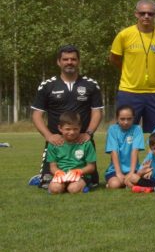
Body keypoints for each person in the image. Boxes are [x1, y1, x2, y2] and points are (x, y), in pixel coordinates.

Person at [30, 45, 104, 187]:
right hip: (56, 143)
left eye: (73, 59)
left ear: (79, 61)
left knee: (92, 184)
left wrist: (88, 133)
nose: (69, 62)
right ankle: (42, 176)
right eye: (65, 59)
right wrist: (49, 136)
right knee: (49, 185)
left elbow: (97, 112)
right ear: (59, 62)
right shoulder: (47, 85)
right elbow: (37, 115)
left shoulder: (91, 84)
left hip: (82, 141)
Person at [109, 0, 155, 130]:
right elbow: (114, 58)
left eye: (150, 14)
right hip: (129, 91)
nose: (146, 16)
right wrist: (128, 70)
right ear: (136, 14)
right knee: (124, 133)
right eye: (143, 13)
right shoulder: (124, 35)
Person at [44, 111, 98, 195]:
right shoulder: (54, 144)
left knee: (74, 189)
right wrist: (58, 172)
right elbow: (52, 167)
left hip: (80, 176)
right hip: (62, 175)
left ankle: (85, 185)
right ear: (60, 128)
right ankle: (61, 186)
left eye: (75, 129)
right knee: (55, 189)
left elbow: (91, 167)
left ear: (80, 127)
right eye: (68, 129)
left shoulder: (86, 143)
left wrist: (78, 171)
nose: (72, 132)